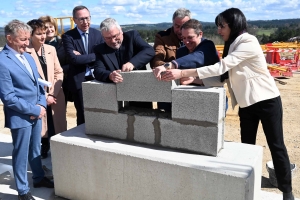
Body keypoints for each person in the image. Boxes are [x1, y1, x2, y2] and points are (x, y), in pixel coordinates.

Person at [155, 8, 294, 200]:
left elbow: (221, 67)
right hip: (246, 104)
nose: (219, 30)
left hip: (266, 100)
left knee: (276, 145)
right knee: (247, 147)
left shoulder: (248, 41)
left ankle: (287, 191)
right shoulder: (232, 44)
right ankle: (247, 186)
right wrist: (196, 81)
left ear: (234, 24)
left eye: (222, 26)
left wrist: (183, 73)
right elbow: (222, 77)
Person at [0, 19, 54, 200]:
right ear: (9, 38)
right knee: (21, 153)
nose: (26, 43)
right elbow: (8, 98)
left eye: (27, 38)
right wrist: (34, 109)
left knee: (35, 149)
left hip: (36, 112)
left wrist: (41, 105)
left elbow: (38, 85)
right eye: (22, 39)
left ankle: (38, 177)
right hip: (20, 116)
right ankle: (23, 190)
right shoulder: (2, 62)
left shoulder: (28, 57)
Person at [153, 19, 224, 112]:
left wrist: (169, 65)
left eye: (190, 37)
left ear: (200, 34)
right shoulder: (182, 51)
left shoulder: (208, 46)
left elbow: (196, 58)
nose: (186, 42)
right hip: (188, 100)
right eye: (184, 38)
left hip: (211, 100)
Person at [26, 19, 67, 159]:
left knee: (57, 125)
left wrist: (53, 94)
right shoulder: (25, 52)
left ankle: (59, 150)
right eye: (39, 34)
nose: (43, 36)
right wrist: (44, 96)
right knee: (41, 126)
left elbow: (58, 72)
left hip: (55, 96)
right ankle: (42, 149)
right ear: (30, 35)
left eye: (44, 33)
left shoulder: (51, 49)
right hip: (37, 98)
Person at [93, 18, 155, 108]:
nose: (113, 41)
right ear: (103, 38)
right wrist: (110, 75)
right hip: (114, 96)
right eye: (108, 38)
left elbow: (149, 51)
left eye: (115, 36)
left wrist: (132, 63)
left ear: (121, 30)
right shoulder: (100, 49)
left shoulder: (132, 37)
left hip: (139, 90)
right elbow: (98, 70)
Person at [62, 5, 104, 125]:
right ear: (74, 20)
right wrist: (95, 55)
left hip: (97, 78)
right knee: (82, 113)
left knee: (100, 111)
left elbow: (103, 56)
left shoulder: (98, 34)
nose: (85, 22)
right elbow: (74, 59)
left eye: (87, 18)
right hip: (79, 80)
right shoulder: (68, 36)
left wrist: (82, 57)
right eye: (81, 19)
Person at [39, 15, 72, 105]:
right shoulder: (38, 46)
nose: (49, 30)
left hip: (61, 82)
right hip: (43, 83)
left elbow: (71, 63)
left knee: (59, 112)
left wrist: (58, 71)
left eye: (51, 26)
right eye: (46, 28)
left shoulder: (64, 43)